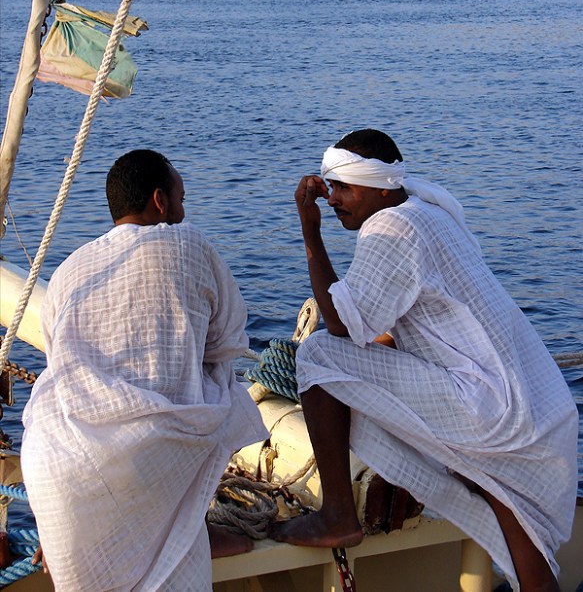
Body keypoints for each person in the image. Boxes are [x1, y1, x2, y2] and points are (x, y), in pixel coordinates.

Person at [270, 129, 578, 592]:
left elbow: (337, 322)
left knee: (317, 355)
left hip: (485, 404)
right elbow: (410, 318)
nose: (334, 200)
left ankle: (337, 513)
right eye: (330, 188)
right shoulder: (426, 209)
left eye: (344, 189)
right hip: (532, 402)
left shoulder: (391, 227)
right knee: (511, 509)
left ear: (379, 188)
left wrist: (309, 230)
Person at [21, 149, 267, 591]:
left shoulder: (69, 269)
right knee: (225, 390)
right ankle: (191, 521)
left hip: (54, 466)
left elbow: (59, 357)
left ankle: (75, 542)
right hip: (142, 462)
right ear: (160, 201)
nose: (183, 209)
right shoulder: (188, 243)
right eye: (181, 197)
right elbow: (229, 339)